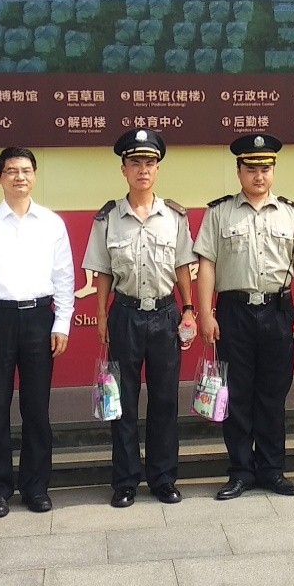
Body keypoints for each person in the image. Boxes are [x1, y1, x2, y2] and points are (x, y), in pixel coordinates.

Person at [194, 134, 294, 500]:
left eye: (265, 168)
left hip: (277, 311)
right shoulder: (219, 213)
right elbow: (207, 264)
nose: (259, 176)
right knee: (236, 394)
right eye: (251, 169)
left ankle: (272, 470)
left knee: (273, 394)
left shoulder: (291, 214)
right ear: (239, 172)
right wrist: (205, 313)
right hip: (234, 313)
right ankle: (240, 471)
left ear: (273, 171)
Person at [0, 147, 74, 518]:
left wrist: (62, 322)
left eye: (26, 170)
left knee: (36, 407)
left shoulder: (51, 223)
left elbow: (64, 277)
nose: (19, 177)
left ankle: (36, 487)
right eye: (11, 171)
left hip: (39, 318)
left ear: (34, 175)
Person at [82, 129, 196, 508]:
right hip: (125, 315)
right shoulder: (108, 218)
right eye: (135, 163)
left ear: (157, 169)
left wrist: (189, 309)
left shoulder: (174, 216)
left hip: (165, 315)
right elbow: (102, 272)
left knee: (164, 400)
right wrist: (101, 315)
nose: (142, 169)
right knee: (123, 402)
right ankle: (126, 481)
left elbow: (182, 266)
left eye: (149, 163)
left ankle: (163, 479)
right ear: (124, 169)